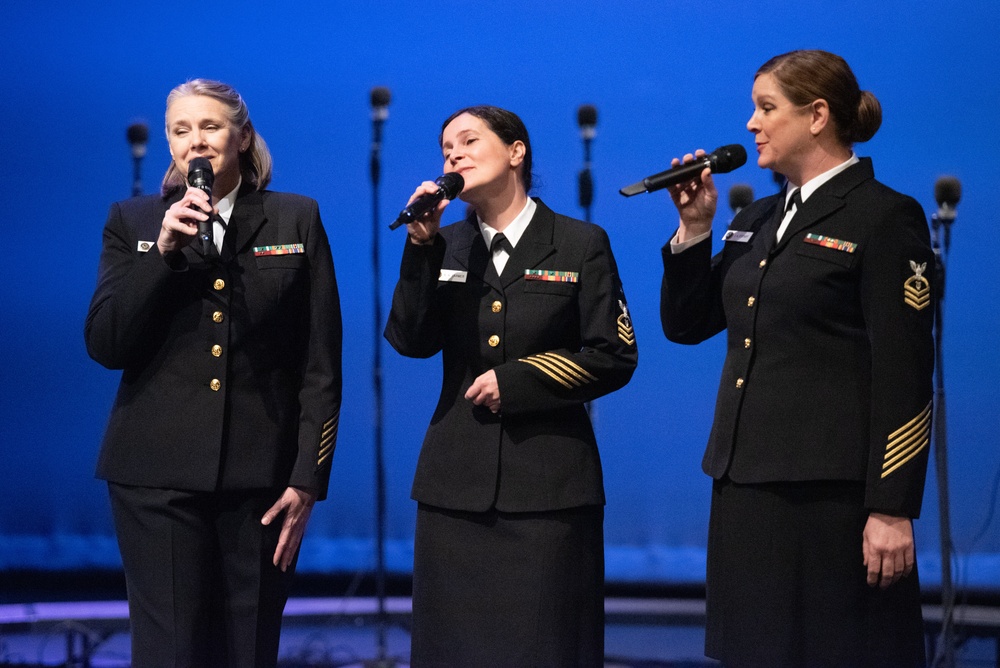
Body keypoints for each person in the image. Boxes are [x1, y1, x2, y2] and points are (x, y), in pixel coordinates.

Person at [659, 50, 934, 667]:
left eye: (766, 108)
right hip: (744, 486)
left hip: (829, 499)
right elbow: (687, 325)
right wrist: (694, 231)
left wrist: (891, 506)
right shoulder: (755, 216)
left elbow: (906, 370)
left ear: (817, 116)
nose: (751, 124)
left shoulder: (884, 215)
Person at [84, 79, 342, 668]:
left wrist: (308, 477)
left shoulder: (294, 217)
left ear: (242, 136)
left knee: (247, 650)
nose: (195, 142)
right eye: (181, 130)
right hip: (155, 475)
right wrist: (163, 257)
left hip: (263, 479)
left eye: (210, 126)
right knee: (170, 651)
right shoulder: (134, 220)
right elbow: (106, 343)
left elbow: (320, 363)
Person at [385, 105, 637, 666]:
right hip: (455, 488)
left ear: (516, 151)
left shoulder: (578, 243)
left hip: (547, 491)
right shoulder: (443, 243)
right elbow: (410, 339)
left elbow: (614, 355)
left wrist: (518, 380)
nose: (453, 154)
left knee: (545, 648)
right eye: (446, 146)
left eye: (469, 141)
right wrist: (420, 247)